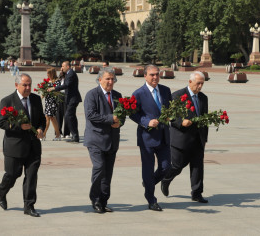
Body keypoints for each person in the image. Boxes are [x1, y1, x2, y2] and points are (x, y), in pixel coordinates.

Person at [0, 73, 45, 217]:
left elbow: (42, 119)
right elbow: (2, 122)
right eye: (24, 85)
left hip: (33, 146)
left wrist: (41, 129)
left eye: (30, 84)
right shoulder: (7, 101)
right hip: (15, 146)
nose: (28, 87)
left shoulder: (36, 99)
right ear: (16, 85)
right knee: (12, 174)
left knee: (31, 176)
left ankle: (29, 206)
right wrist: (19, 126)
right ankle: (2, 191)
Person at [161, 71, 209, 203]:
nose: (200, 86)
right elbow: (169, 115)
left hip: (198, 139)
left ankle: (197, 193)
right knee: (177, 166)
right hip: (181, 138)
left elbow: (205, 120)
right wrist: (180, 122)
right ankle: (166, 180)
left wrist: (204, 139)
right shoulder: (177, 96)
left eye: (202, 84)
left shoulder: (203, 98)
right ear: (190, 82)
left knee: (197, 167)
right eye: (198, 83)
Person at [129, 64, 172, 211]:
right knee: (147, 169)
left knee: (166, 166)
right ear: (145, 76)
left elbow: (170, 108)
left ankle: (149, 182)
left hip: (164, 136)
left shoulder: (166, 90)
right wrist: (146, 122)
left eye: (157, 74)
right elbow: (133, 113)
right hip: (147, 137)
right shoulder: (138, 93)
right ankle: (151, 200)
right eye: (152, 75)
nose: (155, 77)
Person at [83, 68, 123, 213]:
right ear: (100, 79)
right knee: (99, 168)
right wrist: (110, 118)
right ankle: (95, 199)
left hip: (112, 140)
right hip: (96, 139)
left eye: (113, 79)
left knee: (108, 173)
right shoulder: (92, 95)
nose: (110, 81)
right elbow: (90, 115)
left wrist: (120, 122)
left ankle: (104, 200)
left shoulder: (117, 96)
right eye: (107, 78)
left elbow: (121, 115)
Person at [48, 61, 82, 143]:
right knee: (71, 116)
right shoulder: (68, 73)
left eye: (63, 66)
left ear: (68, 66)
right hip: (70, 98)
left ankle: (75, 135)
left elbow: (66, 85)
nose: (62, 68)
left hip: (73, 98)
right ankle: (75, 136)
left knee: (68, 116)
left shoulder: (71, 74)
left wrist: (54, 88)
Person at [42, 68, 62, 141]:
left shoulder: (57, 81)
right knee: (53, 119)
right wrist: (42, 95)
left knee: (48, 117)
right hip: (47, 101)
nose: (47, 75)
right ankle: (58, 135)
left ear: (52, 73)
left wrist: (52, 89)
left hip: (53, 101)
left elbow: (58, 90)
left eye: (48, 73)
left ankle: (43, 135)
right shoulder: (47, 81)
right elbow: (44, 90)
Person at [56, 69, 70, 138]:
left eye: (62, 71)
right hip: (59, 96)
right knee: (58, 115)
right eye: (61, 71)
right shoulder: (59, 79)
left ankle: (67, 133)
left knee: (66, 115)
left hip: (66, 96)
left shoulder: (69, 78)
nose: (61, 72)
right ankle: (58, 132)